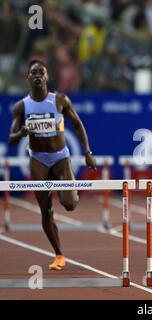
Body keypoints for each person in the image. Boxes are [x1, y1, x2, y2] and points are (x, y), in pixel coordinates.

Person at [8, 60, 96, 270]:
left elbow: (77, 125)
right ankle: (59, 255)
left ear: (47, 77)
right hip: (38, 158)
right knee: (46, 211)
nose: (38, 75)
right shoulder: (22, 106)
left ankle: (66, 191)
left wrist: (87, 153)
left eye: (41, 72)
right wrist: (22, 133)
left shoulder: (59, 100)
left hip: (60, 157)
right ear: (28, 78)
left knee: (70, 204)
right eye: (34, 73)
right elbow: (11, 139)